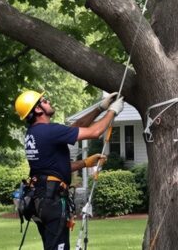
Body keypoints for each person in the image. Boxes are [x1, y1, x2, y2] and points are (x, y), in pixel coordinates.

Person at [14, 90, 123, 250]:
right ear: (38, 109)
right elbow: (95, 132)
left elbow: (74, 129)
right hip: (52, 201)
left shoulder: (34, 133)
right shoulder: (48, 131)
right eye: (44, 101)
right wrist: (113, 111)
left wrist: (99, 108)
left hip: (40, 200)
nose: (48, 101)